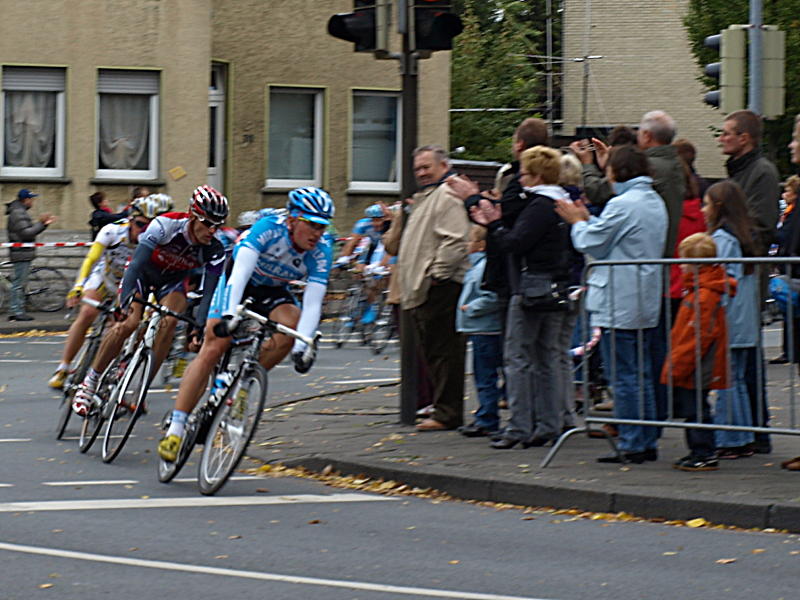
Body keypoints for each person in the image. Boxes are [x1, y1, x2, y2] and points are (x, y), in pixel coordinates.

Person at [157, 186, 335, 461]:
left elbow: (313, 302)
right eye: (311, 224)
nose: (317, 233)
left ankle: (244, 378)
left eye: (323, 227)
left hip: (274, 290)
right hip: (240, 282)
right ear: (292, 219)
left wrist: (304, 345)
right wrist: (229, 317)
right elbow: (238, 276)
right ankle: (177, 429)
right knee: (214, 346)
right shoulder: (268, 228)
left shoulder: (322, 250)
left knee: (291, 329)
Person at [71, 185, 229, 417]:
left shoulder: (214, 248)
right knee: (130, 322)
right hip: (143, 274)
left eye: (218, 224)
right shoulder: (166, 225)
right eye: (207, 223)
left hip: (173, 283)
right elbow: (135, 265)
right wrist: (125, 302)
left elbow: (209, 294)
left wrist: (199, 326)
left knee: (170, 323)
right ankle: (90, 382)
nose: (212, 230)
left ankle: (141, 389)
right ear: (192, 215)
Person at [556, 144, 667, 464]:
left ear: (617, 172)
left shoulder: (624, 203)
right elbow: (612, 237)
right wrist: (589, 219)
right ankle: (645, 438)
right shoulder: (653, 201)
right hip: (643, 296)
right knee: (642, 372)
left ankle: (633, 442)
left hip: (620, 298)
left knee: (626, 375)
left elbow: (593, 242)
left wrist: (578, 221)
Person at [470, 145, 570, 448]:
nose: (521, 180)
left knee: (517, 357)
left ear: (537, 176)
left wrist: (495, 225)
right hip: (556, 286)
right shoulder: (563, 202)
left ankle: (519, 427)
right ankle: (550, 423)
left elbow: (515, 242)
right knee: (547, 357)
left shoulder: (539, 205)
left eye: (524, 174)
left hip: (531, 288)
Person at [48, 196, 164, 389]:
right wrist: (78, 287)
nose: (142, 230)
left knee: (118, 327)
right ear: (130, 220)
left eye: (148, 227)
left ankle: (98, 373)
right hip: (104, 278)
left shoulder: (154, 242)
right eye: (139, 224)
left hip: (127, 287)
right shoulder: (112, 231)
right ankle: (64, 367)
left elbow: (154, 276)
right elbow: (91, 259)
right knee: (87, 313)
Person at [396, 145, 471, 432]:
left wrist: (436, 276)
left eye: (427, 167)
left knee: (444, 354)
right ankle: (442, 409)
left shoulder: (447, 194)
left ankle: (447, 413)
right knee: (435, 353)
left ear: (444, 165)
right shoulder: (427, 197)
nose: (422, 173)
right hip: (425, 288)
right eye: (418, 169)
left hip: (440, 288)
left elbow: (454, 240)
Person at [720, 110, 778, 455]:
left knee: (742, 357)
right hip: (738, 270)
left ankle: (752, 432)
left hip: (744, 273)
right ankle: (753, 430)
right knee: (744, 358)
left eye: (728, 133)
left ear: (745, 138)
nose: (722, 138)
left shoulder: (762, 173)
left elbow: (761, 223)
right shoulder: (743, 171)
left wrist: (724, 234)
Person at [662, 232, 736, 472]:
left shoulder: (702, 294)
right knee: (695, 407)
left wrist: (679, 363)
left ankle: (703, 451)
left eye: (684, 261)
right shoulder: (699, 290)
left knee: (696, 409)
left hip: (697, 360)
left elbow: (698, 334)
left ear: (695, 265)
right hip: (696, 358)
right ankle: (699, 450)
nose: (680, 266)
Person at [702, 180, 760, 459]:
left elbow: (722, 279)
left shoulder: (723, 239)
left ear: (718, 207)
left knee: (727, 378)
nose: (703, 210)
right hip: (742, 318)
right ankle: (742, 434)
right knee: (734, 376)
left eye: (707, 204)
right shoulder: (742, 236)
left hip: (728, 318)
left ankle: (731, 436)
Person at [456, 226, 504, 438]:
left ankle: (487, 417)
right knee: (486, 374)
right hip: (482, 327)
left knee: (485, 375)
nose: (467, 246)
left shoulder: (483, 267)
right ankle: (486, 415)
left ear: (481, 245)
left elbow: (491, 296)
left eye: (470, 242)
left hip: (485, 327)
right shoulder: (478, 266)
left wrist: (471, 308)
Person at [5, 188, 55, 321]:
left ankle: (17, 310)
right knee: (19, 283)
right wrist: (42, 224)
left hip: (22, 253)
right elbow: (26, 233)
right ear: (26, 200)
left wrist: (42, 225)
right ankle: (17, 311)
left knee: (19, 282)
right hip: (21, 253)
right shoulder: (18, 213)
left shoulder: (19, 211)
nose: (33, 202)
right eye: (31, 199)